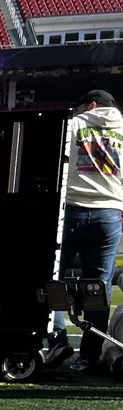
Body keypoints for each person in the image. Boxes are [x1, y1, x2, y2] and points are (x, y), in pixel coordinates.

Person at [53, 89, 123, 372]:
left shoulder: (75, 124)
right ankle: (90, 355)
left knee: (52, 278)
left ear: (90, 105)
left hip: (70, 208)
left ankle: (56, 340)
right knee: (98, 287)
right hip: (109, 213)